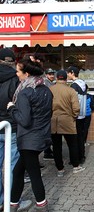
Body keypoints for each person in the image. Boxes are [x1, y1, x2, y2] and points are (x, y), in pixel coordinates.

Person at [7, 57, 53, 212]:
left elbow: (24, 120)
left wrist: (12, 108)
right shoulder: (46, 89)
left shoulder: (25, 93)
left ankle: (41, 204)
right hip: (42, 137)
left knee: (33, 173)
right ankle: (13, 203)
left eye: (18, 71)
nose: (16, 73)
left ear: (26, 73)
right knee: (18, 171)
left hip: (28, 139)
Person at [0, 48, 32, 211]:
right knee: (13, 165)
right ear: (13, 62)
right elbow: (21, 105)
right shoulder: (16, 79)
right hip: (12, 127)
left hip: (3, 126)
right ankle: (11, 201)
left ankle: (0, 200)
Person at [50, 70, 86, 177]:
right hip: (68, 120)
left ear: (57, 78)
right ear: (66, 79)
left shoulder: (50, 90)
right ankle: (76, 166)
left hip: (54, 121)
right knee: (72, 145)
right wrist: (74, 116)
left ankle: (60, 169)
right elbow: (76, 108)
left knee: (56, 146)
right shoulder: (70, 91)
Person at [67, 66, 87, 164]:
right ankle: (82, 156)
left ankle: (76, 159)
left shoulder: (74, 86)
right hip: (83, 114)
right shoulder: (83, 83)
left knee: (74, 138)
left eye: (68, 73)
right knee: (81, 137)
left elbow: (73, 102)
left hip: (76, 114)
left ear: (72, 73)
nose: (67, 75)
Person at [43, 68, 56, 161]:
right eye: (50, 74)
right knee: (47, 132)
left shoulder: (52, 83)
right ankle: (47, 151)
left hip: (50, 110)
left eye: (52, 74)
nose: (51, 75)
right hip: (46, 110)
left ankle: (48, 150)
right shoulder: (45, 83)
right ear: (46, 75)